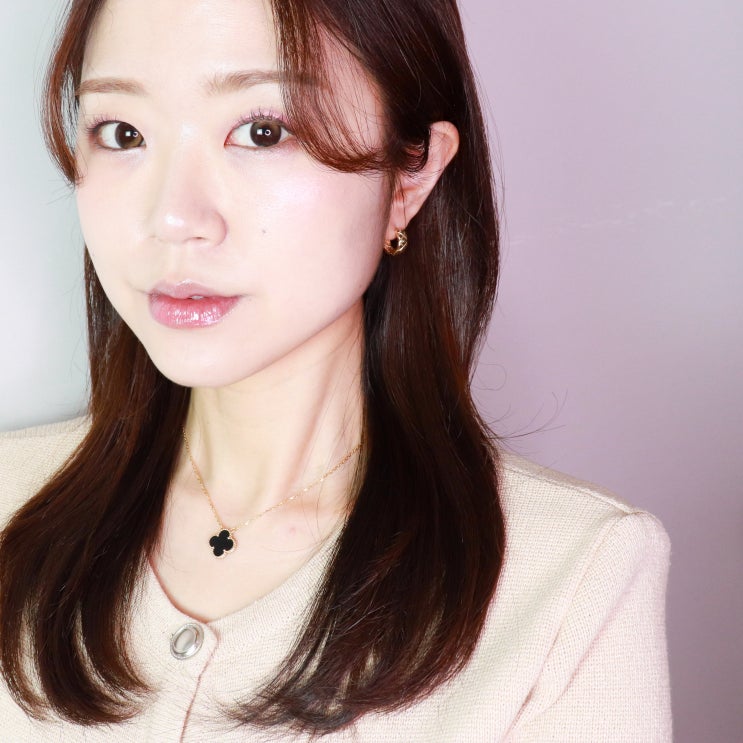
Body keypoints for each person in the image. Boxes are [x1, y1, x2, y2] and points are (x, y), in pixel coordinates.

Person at [0, 0, 671, 739]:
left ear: (410, 175)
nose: (173, 219)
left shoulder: (567, 578)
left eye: (263, 131)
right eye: (122, 133)